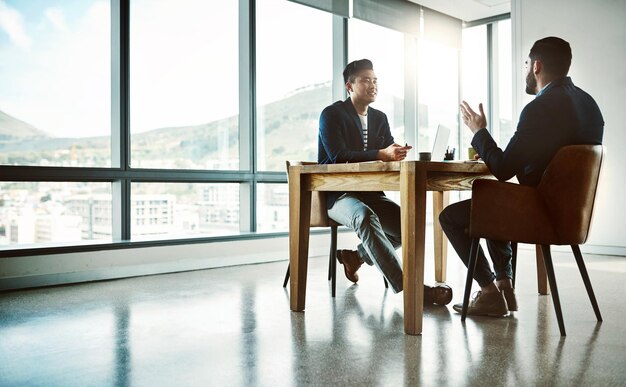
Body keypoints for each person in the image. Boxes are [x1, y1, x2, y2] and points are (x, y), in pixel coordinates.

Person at [440, 37, 604, 316]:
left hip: (540, 213)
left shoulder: (540, 108)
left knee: (452, 216)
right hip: (573, 216)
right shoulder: (590, 105)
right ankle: (505, 287)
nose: (526, 70)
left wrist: (479, 132)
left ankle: (490, 291)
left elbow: (503, 169)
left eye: (526, 64)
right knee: (494, 200)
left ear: (537, 66)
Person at [318, 58, 453, 305]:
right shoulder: (332, 114)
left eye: (375, 80)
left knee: (408, 225)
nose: (373, 85)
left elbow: (386, 149)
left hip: (371, 193)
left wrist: (395, 152)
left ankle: (356, 256)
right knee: (365, 217)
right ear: (350, 86)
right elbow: (338, 156)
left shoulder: (379, 117)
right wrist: (381, 154)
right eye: (366, 80)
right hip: (339, 195)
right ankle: (412, 290)